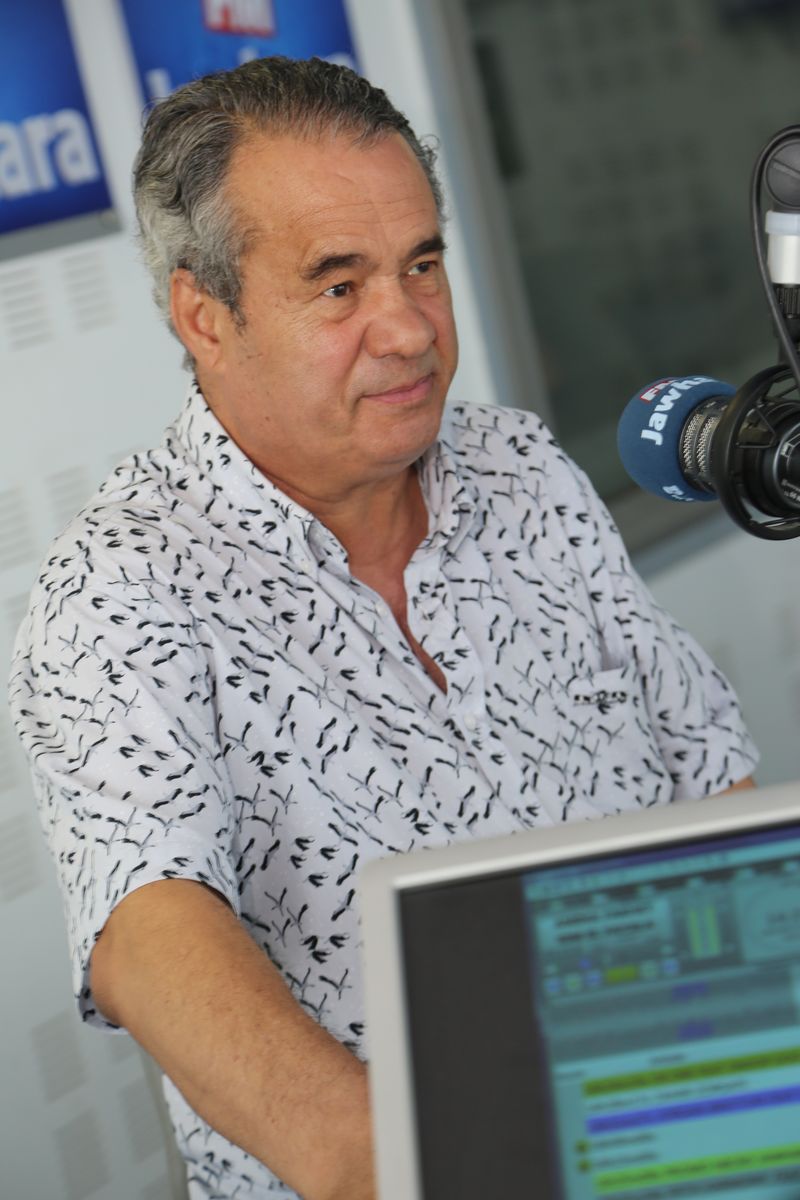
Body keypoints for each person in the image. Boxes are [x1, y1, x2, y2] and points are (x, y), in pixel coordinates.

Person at [9, 56, 756, 1200]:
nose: (407, 328)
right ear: (206, 315)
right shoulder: (120, 588)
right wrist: (393, 1160)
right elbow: (146, 932)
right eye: (337, 286)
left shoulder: (521, 467)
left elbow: (706, 778)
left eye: (421, 264)